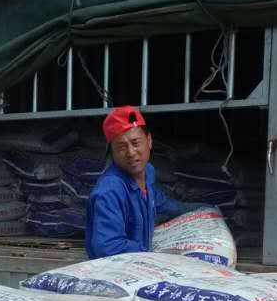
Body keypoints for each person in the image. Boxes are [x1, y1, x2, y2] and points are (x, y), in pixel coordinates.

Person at [84, 105, 199, 258]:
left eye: (136, 143)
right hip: (116, 268)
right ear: (112, 152)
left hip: (140, 261)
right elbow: (107, 246)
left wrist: (200, 209)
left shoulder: (147, 172)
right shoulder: (110, 191)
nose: (131, 153)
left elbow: (161, 202)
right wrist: (153, 254)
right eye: (121, 147)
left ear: (149, 141)